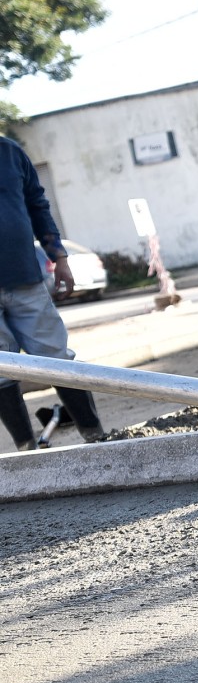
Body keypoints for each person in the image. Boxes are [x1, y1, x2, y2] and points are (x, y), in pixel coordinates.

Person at [0, 136, 104, 450]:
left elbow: (37, 203)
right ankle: (26, 450)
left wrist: (59, 256)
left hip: (25, 279)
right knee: (2, 372)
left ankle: (95, 436)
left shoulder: (10, 152)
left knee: (55, 358)